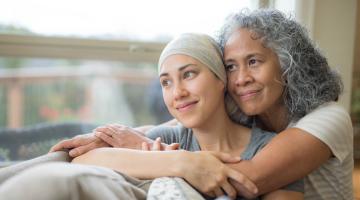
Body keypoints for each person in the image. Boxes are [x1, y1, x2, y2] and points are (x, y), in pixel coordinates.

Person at [50, 9, 354, 200]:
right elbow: (167, 127)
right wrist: (105, 136)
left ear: (288, 64)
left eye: (253, 62)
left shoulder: (327, 118)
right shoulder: (246, 107)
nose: (241, 78)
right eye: (231, 66)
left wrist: (171, 159)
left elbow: (249, 178)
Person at [0, 33, 303, 200]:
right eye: (166, 82)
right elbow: (83, 161)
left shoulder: (267, 151)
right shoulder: (171, 139)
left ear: (220, 79)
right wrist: (177, 163)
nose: (177, 92)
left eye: (189, 75)